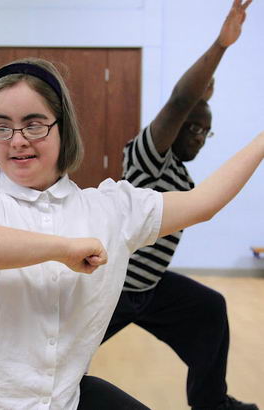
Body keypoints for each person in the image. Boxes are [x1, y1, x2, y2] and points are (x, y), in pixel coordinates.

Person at [0, 52, 263, 410]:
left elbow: (205, 202)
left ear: (63, 127)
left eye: (34, 124)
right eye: (2, 126)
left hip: (56, 402)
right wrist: (64, 249)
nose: (17, 140)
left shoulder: (112, 208)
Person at [102, 1, 258, 410]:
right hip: (109, 290)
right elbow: (178, 100)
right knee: (58, 359)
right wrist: (221, 47)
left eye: (206, 132)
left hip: (149, 290)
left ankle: (212, 404)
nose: (200, 137)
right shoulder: (146, 159)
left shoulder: (183, 177)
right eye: (193, 127)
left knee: (208, 309)